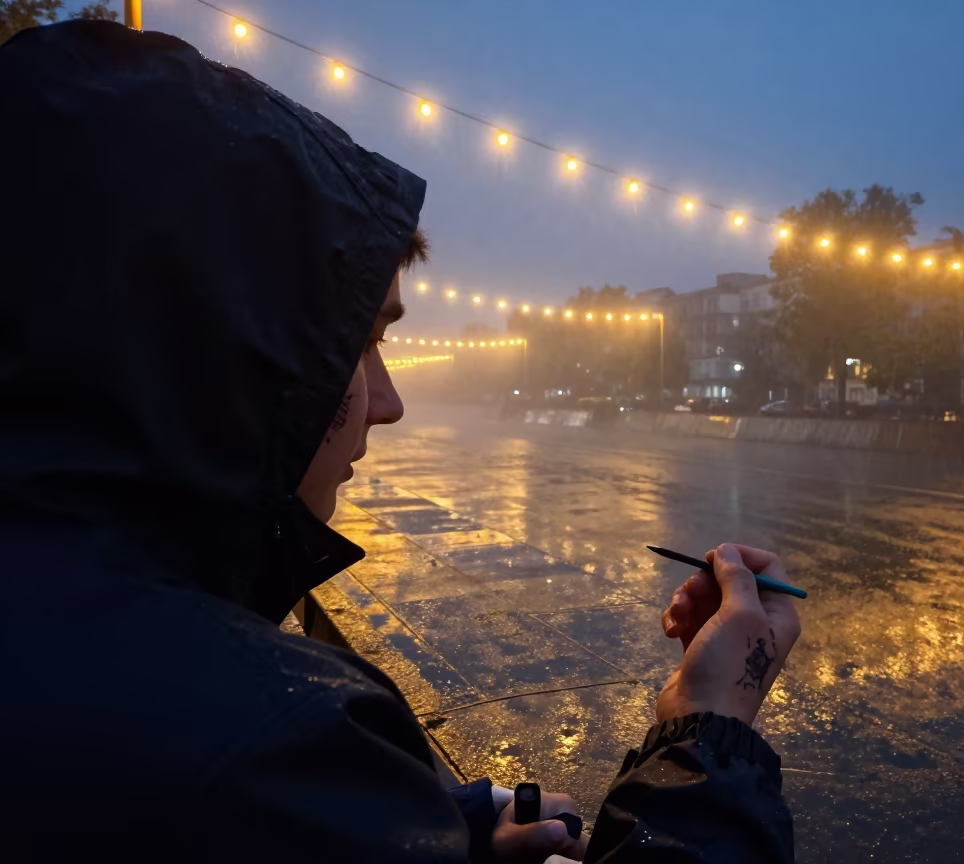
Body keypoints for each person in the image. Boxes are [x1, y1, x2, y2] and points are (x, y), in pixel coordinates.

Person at [0, 20, 800, 861]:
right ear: (224, 349)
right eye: (361, 343)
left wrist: (430, 830)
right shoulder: (257, 746)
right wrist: (709, 726)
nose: (389, 403)